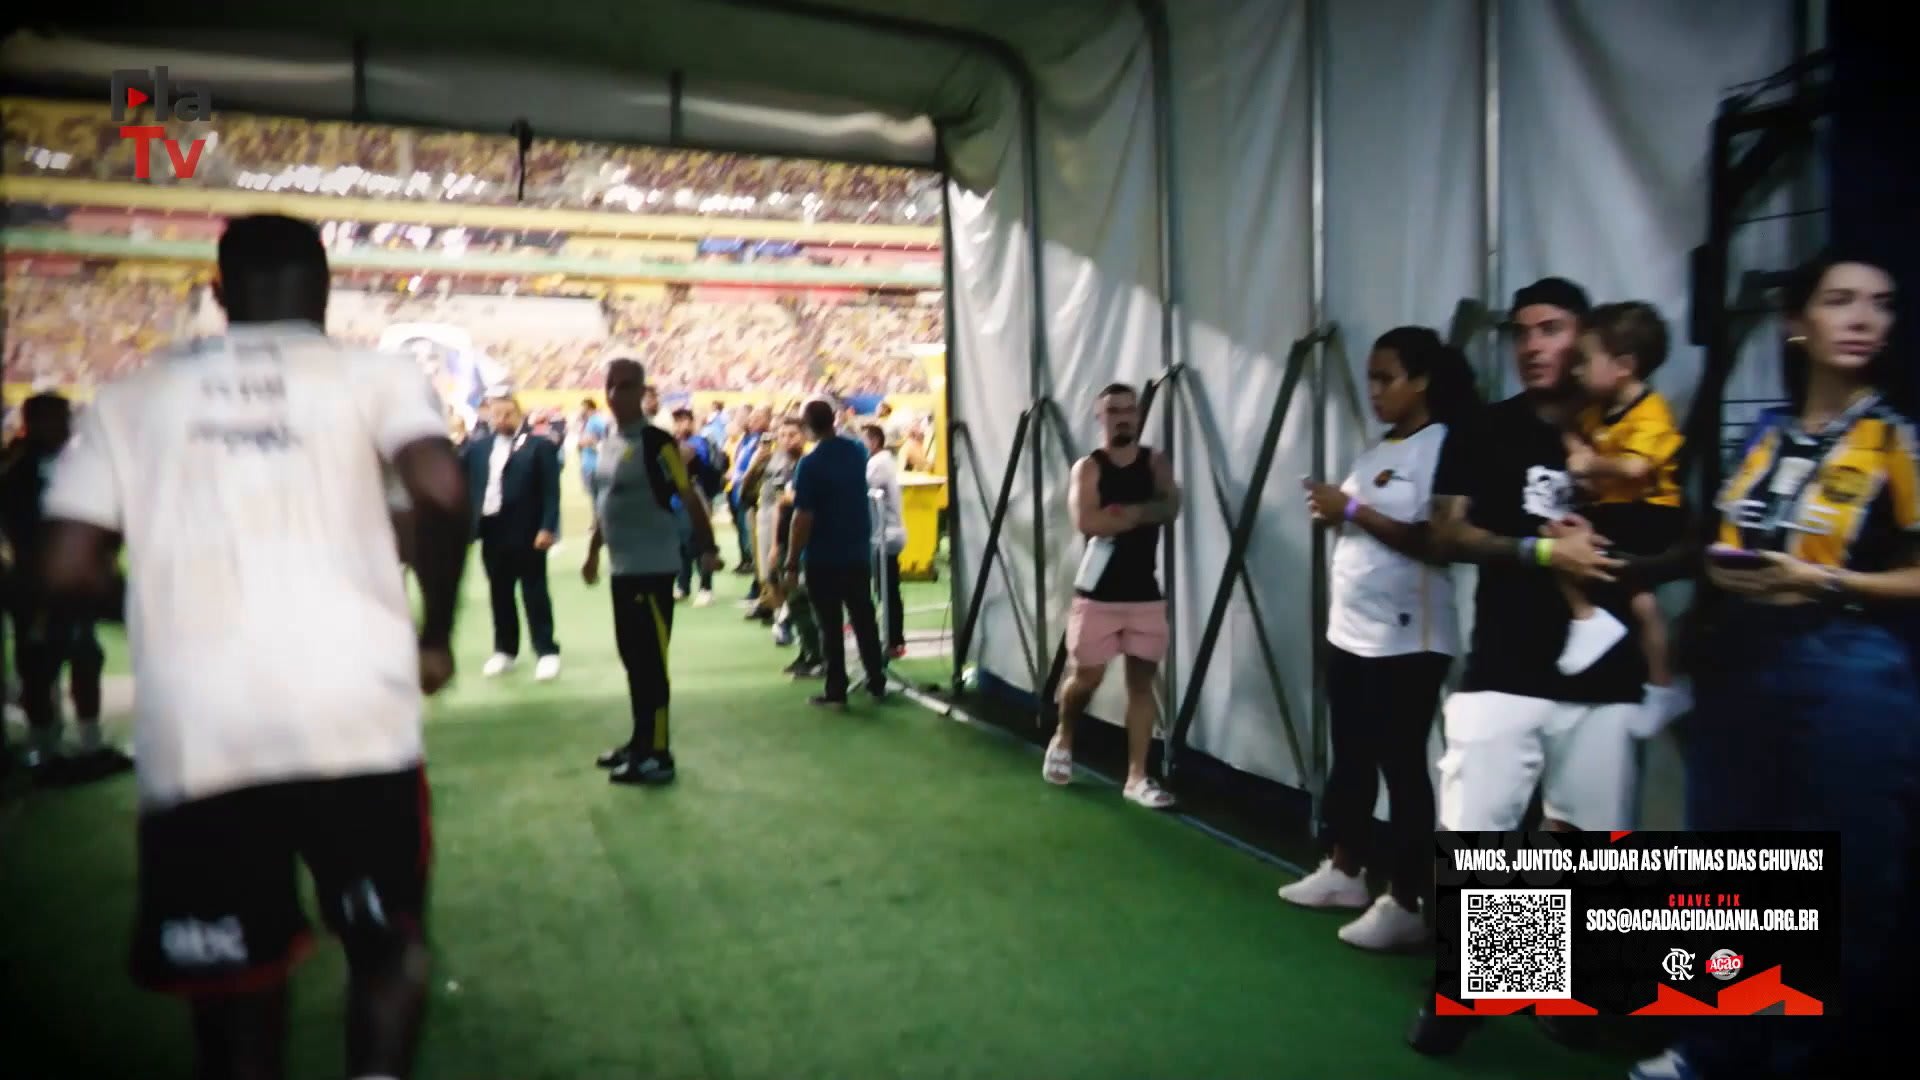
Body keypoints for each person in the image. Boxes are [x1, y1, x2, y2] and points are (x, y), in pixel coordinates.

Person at [38, 213, 469, 1080]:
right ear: (329, 286)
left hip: (205, 734)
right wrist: (435, 631)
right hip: (357, 716)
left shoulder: (128, 399)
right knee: (387, 946)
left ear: (219, 294)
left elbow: (64, 566)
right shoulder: (374, 375)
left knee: (235, 990)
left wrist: (166, 604)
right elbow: (442, 487)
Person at [1633, 252, 1920, 1080]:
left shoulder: (1897, 438)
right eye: (1841, 301)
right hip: (1744, 655)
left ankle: (1802, 1060)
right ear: (1800, 322)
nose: (1865, 318)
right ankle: (1709, 1049)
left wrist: (1828, 577)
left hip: (1851, 663)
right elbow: (1727, 542)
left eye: (1882, 303)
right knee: (1727, 863)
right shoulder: (1764, 437)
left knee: (1844, 883)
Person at [1405, 278, 1639, 1054]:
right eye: (1523, 332)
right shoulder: (1484, 429)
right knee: (1480, 835)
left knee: (1580, 838)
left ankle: (1558, 990)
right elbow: (1444, 534)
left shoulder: (1628, 427)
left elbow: (1670, 525)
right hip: (1504, 663)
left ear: (1587, 339)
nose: (1535, 345)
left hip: (1602, 672)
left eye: (1552, 329)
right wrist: (1543, 549)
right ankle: (1475, 991)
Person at [1285, 328, 1474, 950]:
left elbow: (1434, 542)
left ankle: (1409, 898)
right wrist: (1338, 514)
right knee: (1353, 756)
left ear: (1421, 381)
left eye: (1385, 377)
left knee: (1404, 766)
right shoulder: (1376, 450)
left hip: (1408, 639)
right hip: (1353, 632)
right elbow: (1365, 525)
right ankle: (1346, 869)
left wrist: (1353, 512)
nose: (1374, 390)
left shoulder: (1442, 445)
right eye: (1369, 377)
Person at [582, 361, 720, 786]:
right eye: (610, 386)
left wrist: (708, 548)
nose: (614, 394)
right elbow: (605, 504)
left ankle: (658, 755)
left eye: (624, 386)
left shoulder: (657, 442)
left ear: (640, 392)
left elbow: (689, 496)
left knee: (651, 665)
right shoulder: (608, 440)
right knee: (633, 661)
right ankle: (640, 742)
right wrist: (592, 553)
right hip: (622, 571)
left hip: (653, 569)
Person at [1554, 302, 1689, 734]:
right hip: (1618, 511)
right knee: (1642, 602)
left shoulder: (1652, 412)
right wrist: (1576, 448)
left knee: (1559, 539)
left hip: (1650, 515)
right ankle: (1663, 686)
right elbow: (1572, 430)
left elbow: (1635, 468)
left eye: (1584, 361)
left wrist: (1589, 465)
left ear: (1624, 366)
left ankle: (1586, 618)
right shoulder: (1596, 411)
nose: (1575, 372)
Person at [1048, 382, 1181, 810]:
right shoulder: (1089, 468)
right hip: (1098, 595)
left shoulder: (1155, 462)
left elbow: (1171, 507)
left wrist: (1127, 513)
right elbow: (1088, 522)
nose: (1123, 417)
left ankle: (1137, 777)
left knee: (1141, 687)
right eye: (1113, 411)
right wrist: (1143, 513)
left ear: (1138, 415)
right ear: (1099, 417)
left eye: (1129, 410)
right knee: (1085, 678)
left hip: (1145, 593)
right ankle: (1064, 736)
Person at [0, 391, 129, 776]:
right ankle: (45, 747)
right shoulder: (17, 473)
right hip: (36, 586)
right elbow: (20, 530)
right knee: (39, 665)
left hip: (76, 582)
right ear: (33, 423)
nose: (66, 425)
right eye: (56, 418)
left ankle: (89, 742)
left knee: (85, 658)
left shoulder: (76, 463)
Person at [782, 399, 889, 707]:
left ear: (807, 427)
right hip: (856, 549)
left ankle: (836, 687)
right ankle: (876, 679)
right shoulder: (856, 451)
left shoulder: (810, 465)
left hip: (824, 555)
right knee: (863, 617)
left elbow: (803, 517)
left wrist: (791, 560)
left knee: (830, 624)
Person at [464, 393, 563, 681]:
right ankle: (505, 650)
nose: (501, 420)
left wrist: (548, 527)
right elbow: (461, 477)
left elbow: (550, 492)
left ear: (519, 414)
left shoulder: (539, 446)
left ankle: (546, 651)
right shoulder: (479, 448)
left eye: (507, 414)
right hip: (492, 530)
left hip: (528, 531)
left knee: (534, 592)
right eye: (496, 415)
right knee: (499, 592)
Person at [862, 422, 909, 656]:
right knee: (886, 589)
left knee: (888, 589)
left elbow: (863, 486)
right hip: (885, 532)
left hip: (886, 534)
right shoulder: (883, 461)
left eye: (864, 441)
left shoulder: (878, 463)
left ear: (874, 441)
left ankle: (894, 640)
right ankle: (892, 638)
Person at [576, 397, 608, 498]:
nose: (581, 410)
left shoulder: (596, 421)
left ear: (587, 407)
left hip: (594, 465)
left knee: (597, 499)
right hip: (589, 464)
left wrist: (592, 442)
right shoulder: (590, 421)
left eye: (582, 408)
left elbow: (606, 438)